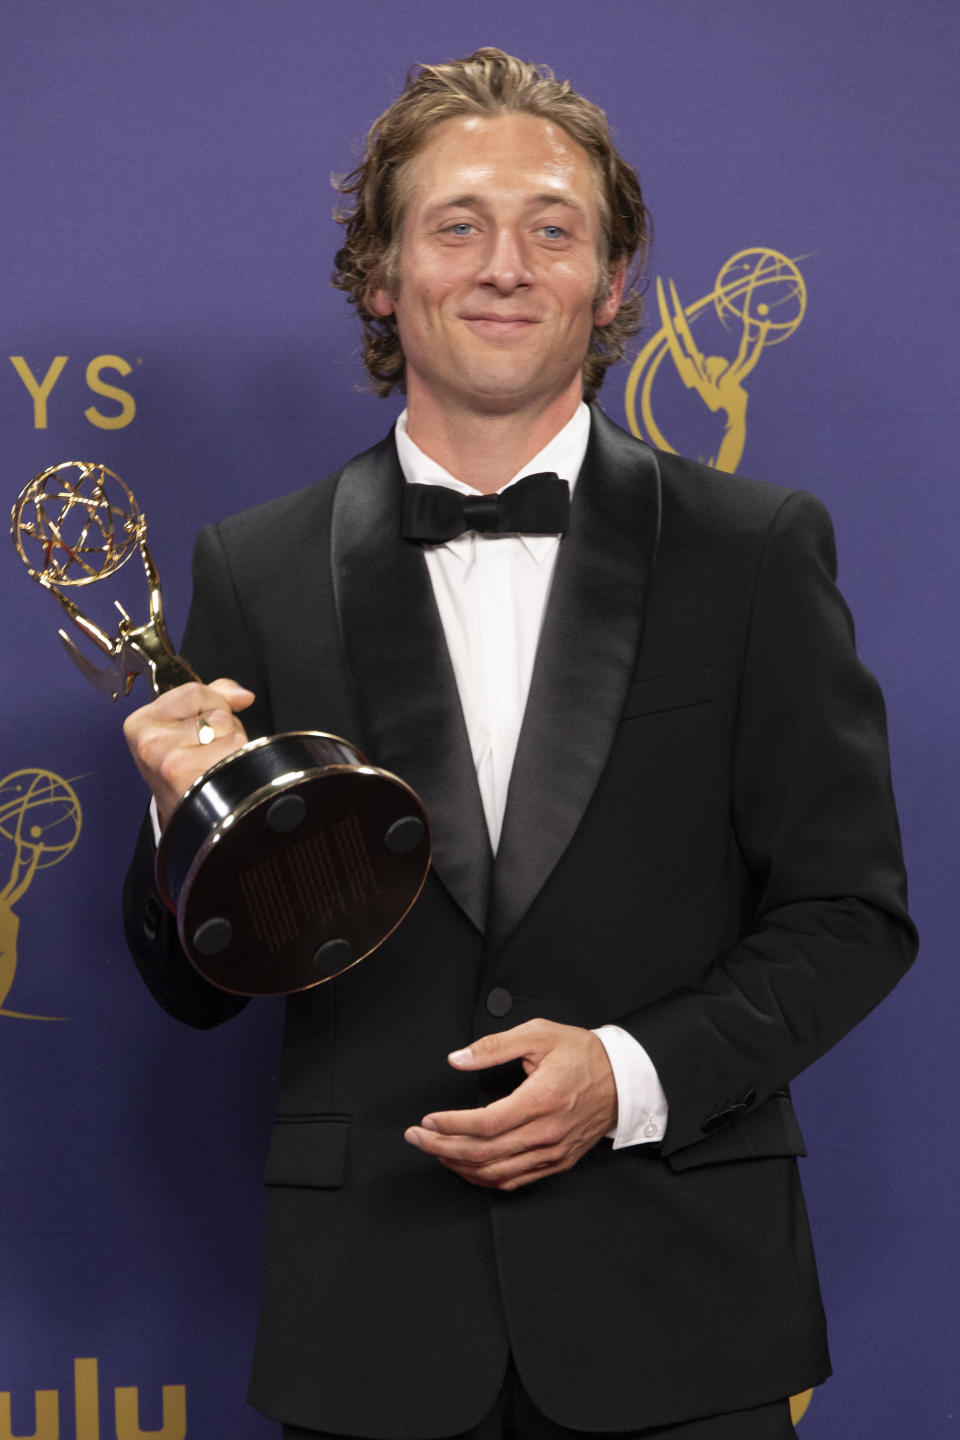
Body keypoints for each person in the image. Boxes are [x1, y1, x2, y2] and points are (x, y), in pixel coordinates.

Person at [122, 48, 916, 1440]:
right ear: (380, 275)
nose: (507, 265)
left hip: (684, 1312)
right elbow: (202, 989)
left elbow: (851, 914)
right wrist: (179, 831)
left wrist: (630, 1075)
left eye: (554, 228)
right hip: (373, 1318)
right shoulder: (251, 567)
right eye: (457, 225)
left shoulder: (753, 552)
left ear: (612, 287)